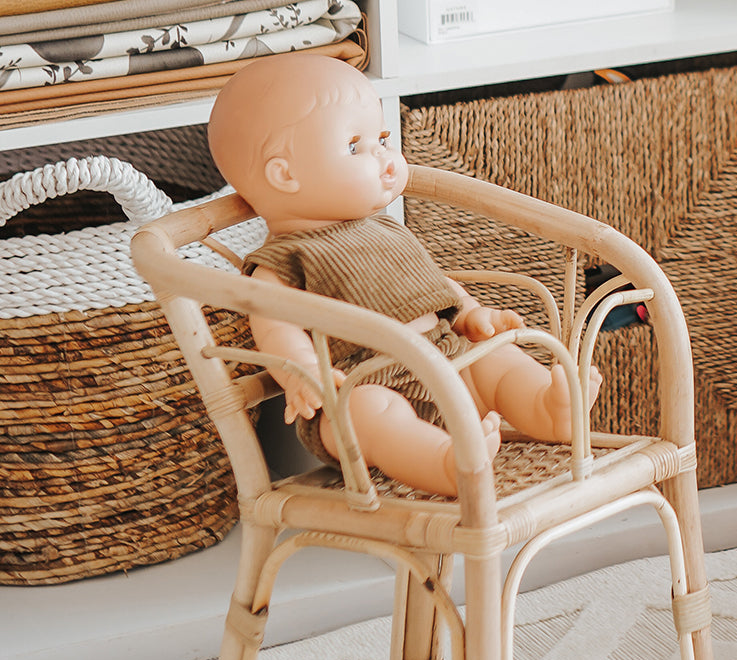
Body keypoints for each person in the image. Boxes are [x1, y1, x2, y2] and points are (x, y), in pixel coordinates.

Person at [208, 53, 600, 497]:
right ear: (285, 174)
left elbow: (433, 286)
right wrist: (300, 371)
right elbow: (274, 325)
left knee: (496, 359)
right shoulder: (283, 260)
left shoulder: (386, 227)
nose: (384, 156)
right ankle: (445, 464)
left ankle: (550, 409)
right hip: (364, 382)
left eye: (381, 138)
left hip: (447, 360)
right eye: (356, 146)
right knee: (369, 414)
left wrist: (470, 314)